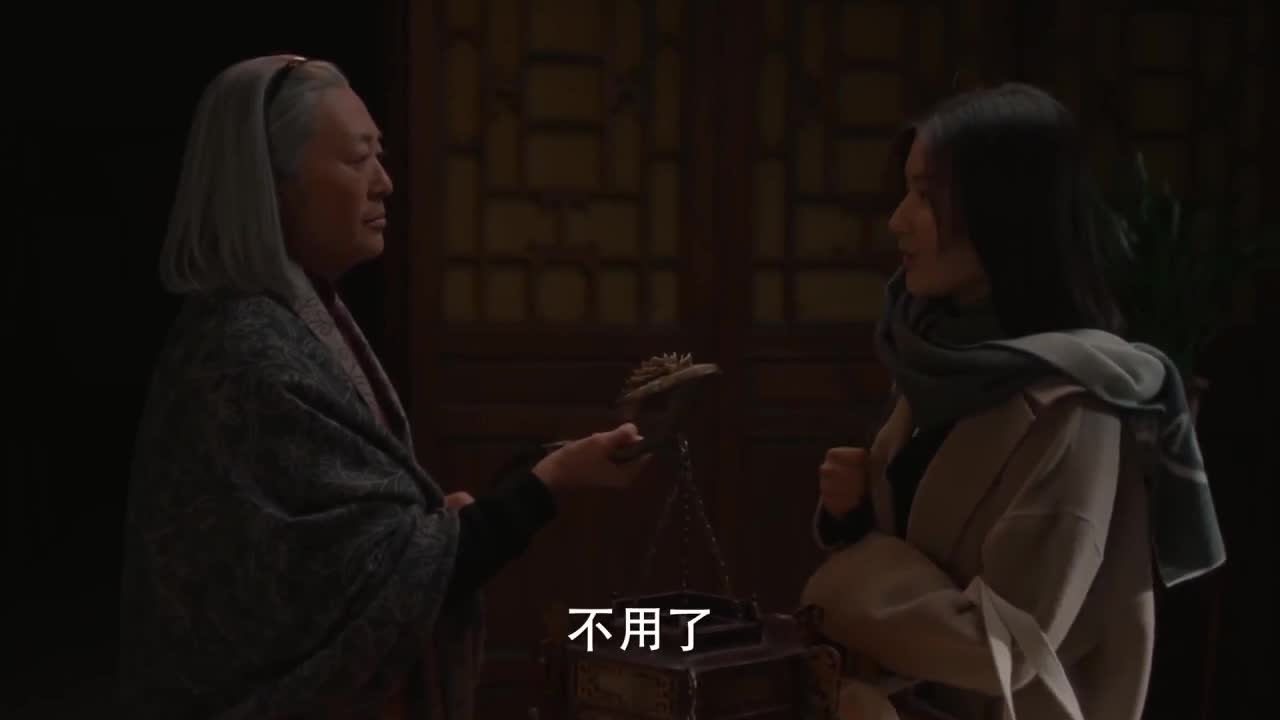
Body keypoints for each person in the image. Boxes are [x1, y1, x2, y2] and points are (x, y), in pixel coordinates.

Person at [118, 55, 651, 720]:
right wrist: (550, 483)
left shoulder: (290, 319)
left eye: (380, 156)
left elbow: (373, 549)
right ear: (272, 186)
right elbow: (364, 584)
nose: (384, 183)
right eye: (356, 159)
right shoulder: (247, 354)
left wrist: (461, 512)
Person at [805, 83, 1225, 720]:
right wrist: (856, 516)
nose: (898, 220)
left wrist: (846, 580)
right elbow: (924, 557)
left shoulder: (1075, 410)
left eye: (926, 196)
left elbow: (1000, 647)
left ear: (1001, 213)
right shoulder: (943, 359)